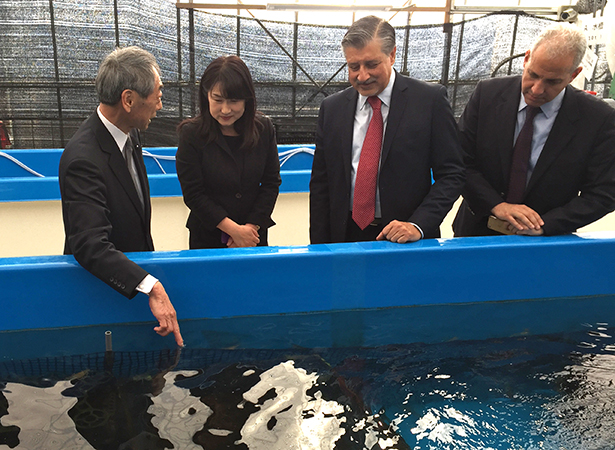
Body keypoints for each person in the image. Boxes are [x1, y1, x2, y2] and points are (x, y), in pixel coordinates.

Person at [59, 46, 183, 346]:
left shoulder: (129, 135)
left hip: (130, 295)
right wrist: (151, 286)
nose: (160, 104)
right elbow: (89, 244)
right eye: (157, 93)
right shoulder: (83, 159)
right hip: (100, 302)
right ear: (128, 100)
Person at [309, 15, 465, 244]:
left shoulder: (429, 101)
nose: (362, 76)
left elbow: (452, 174)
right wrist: (319, 247)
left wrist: (418, 224)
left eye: (372, 64)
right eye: (353, 66)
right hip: (344, 236)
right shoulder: (332, 109)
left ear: (392, 55)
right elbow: (321, 183)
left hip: (405, 238)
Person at [453, 23, 615, 237]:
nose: (537, 89)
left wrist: (545, 225)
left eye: (552, 82)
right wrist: (496, 205)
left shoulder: (598, 119)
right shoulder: (487, 95)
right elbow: (460, 161)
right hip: (476, 232)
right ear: (526, 58)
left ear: (574, 74)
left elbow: (603, 193)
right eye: (533, 74)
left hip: (548, 243)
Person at [176, 56, 281, 249]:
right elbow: (193, 194)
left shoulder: (263, 128)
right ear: (206, 95)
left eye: (233, 101)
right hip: (207, 239)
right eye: (218, 100)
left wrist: (250, 229)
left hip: (253, 238)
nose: (225, 109)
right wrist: (234, 231)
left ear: (247, 99)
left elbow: (270, 183)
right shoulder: (191, 134)